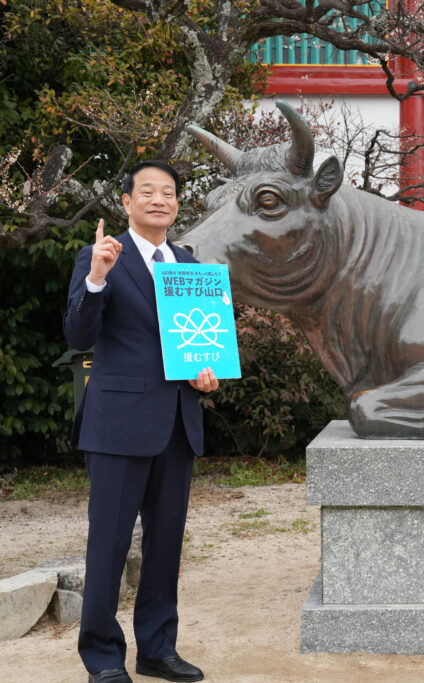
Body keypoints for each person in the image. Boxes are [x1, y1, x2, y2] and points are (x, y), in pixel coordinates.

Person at [64, 160, 217, 683]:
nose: (159, 199)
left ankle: (157, 648)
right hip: (117, 422)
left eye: (168, 192)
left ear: (178, 204)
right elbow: (78, 337)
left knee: (166, 543)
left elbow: (202, 348)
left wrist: (207, 374)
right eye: (147, 191)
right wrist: (97, 279)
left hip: (177, 422)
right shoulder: (101, 256)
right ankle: (103, 657)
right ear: (126, 203)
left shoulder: (191, 268)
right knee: (107, 542)